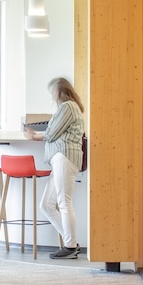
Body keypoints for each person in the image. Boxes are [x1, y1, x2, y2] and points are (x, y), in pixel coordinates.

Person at [40, 76, 87, 260]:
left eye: (53, 91)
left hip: (65, 156)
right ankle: (71, 244)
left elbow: (51, 134)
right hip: (59, 158)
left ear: (59, 90)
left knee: (64, 202)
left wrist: (40, 135)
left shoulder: (67, 107)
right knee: (46, 205)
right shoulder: (69, 108)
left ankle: (70, 246)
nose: (52, 95)